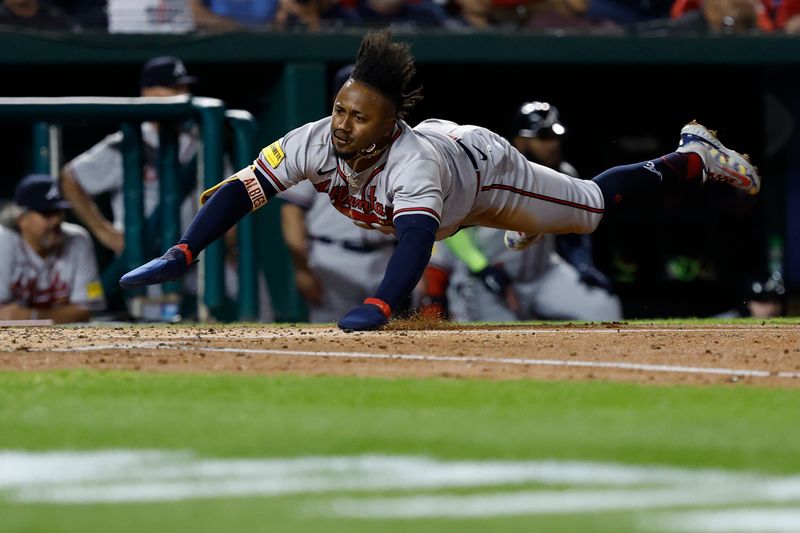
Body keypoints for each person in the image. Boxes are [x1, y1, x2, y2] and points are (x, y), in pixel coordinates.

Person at [119, 28, 762, 332]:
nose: (342, 124)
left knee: (590, 206)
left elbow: (414, 244)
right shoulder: (317, 137)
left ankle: (692, 156)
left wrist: (380, 303)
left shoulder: (410, 163)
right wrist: (185, 250)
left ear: (389, 122)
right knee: (514, 224)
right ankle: (521, 229)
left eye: (358, 116)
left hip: (484, 175)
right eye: (340, 108)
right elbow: (242, 189)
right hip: (453, 181)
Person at [420, 100, 623, 323]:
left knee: (601, 306)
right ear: (520, 141)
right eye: (544, 138)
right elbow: (445, 232)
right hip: (486, 277)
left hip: (544, 273)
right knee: (491, 337)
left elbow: (575, 230)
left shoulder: (565, 173)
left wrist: (583, 265)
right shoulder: (491, 171)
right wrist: (481, 267)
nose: (553, 145)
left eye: (555, 137)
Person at [277, 64, 397, 323]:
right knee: (331, 337)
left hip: (385, 257)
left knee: (390, 341)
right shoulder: (316, 144)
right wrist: (302, 269)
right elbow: (291, 212)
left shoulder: (396, 145)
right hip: (331, 259)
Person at [0, 174, 105, 323]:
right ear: (22, 219)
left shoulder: (78, 239)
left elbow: (84, 311)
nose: (56, 220)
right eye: (47, 213)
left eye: (58, 212)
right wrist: (61, 314)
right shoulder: (3, 241)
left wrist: (30, 316)